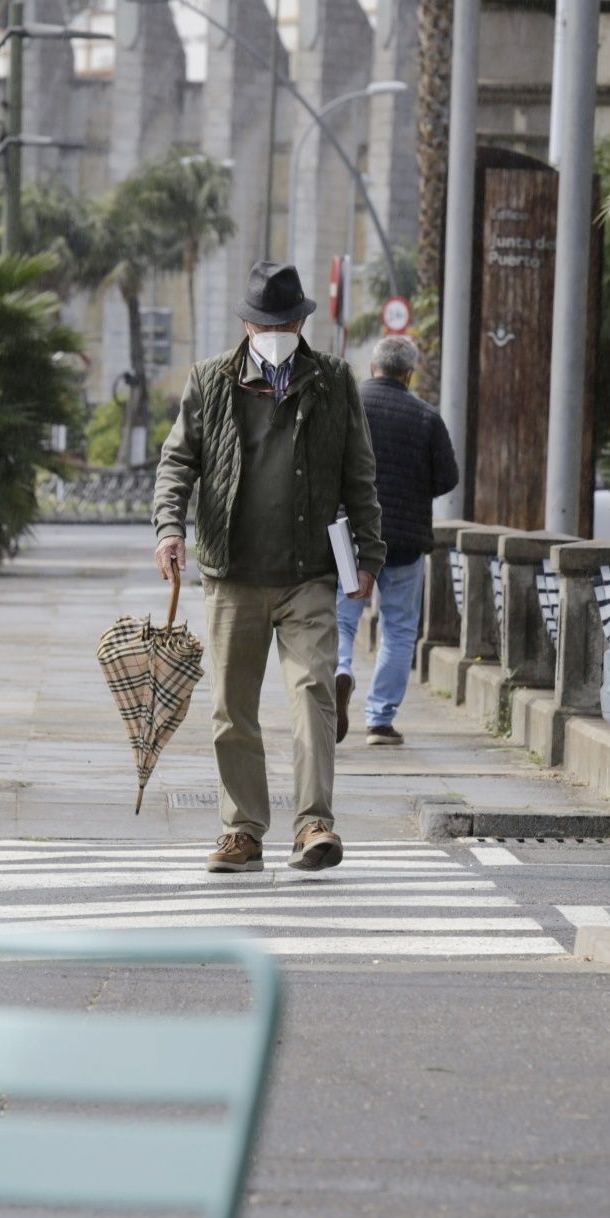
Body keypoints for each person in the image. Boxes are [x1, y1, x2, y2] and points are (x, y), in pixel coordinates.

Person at [153, 260, 385, 874]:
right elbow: (177, 464)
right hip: (232, 574)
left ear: (302, 320)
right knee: (232, 708)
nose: (276, 329)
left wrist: (370, 553)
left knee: (313, 694)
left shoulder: (334, 380)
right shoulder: (210, 381)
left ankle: (313, 823)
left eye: (285, 320)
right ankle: (243, 832)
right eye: (265, 322)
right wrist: (169, 529)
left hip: (309, 573)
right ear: (246, 324)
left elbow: (360, 477)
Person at [335, 334, 459, 747]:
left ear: (372, 368)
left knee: (341, 620)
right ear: (409, 374)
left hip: (349, 536)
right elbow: (448, 478)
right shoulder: (426, 418)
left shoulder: (347, 406)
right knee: (400, 628)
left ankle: (339, 670)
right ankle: (380, 720)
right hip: (404, 541)